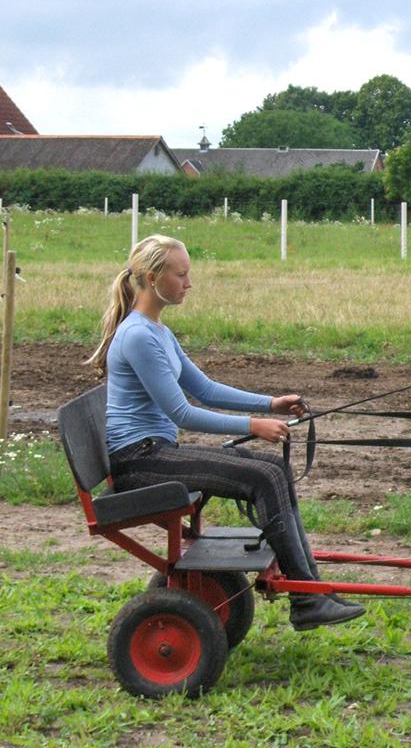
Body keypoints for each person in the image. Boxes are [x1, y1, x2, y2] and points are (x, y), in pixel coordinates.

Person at [86, 234, 365, 630]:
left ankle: (312, 590)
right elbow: (183, 412)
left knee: (275, 470)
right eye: (181, 275)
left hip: (153, 452)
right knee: (263, 476)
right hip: (139, 461)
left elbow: (205, 389)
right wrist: (254, 426)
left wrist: (270, 404)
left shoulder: (157, 331)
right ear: (152, 278)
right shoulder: (139, 336)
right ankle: (307, 600)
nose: (189, 283)